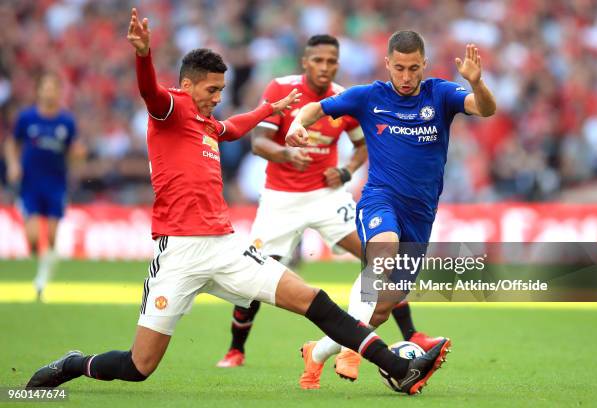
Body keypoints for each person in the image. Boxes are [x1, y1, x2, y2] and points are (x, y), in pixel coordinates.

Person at [25, 10, 449, 396]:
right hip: (179, 253)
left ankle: (397, 367)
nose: (216, 97)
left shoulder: (207, 122)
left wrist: (272, 107)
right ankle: (75, 364)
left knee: (313, 299)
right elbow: (149, 91)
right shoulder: (169, 109)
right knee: (140, 366)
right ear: (187, 85)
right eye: (211, 89)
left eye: (221, 90)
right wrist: (144, 55)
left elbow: (232, 128)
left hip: (225, 246)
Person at [216, 34, 447, 388]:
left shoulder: (344, 97)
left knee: (378, 257)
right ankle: (236, 349)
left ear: (337, 64)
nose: (325, 67)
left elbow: (360, 147)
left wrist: (346, 171)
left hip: (328, 196)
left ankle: (409, 333)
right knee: (253, 276)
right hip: (281, 198)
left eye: (331, 62)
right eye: (318, 61)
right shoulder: (281, 89)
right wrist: (285, 153)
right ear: (305, 62)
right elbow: (258, 142)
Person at [287, 30, 496, 387]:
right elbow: (317, 108)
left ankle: (317, 352)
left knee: (380, 310)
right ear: (387, 64)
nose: (406, 76)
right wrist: (296, 123)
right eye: (399, 68)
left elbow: (486, 109)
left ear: (424, 64)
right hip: (380, 199)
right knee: (383, 252)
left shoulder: (440, 94)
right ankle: (353, 352)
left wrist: (477, 84)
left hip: (421, 215)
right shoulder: (370, 97)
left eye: (413, 68)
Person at [4, 72, 85, 301]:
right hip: (30, 183)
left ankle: (42, 279)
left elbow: (74, 150)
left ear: (59, 92)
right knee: (31, 238)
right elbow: (12, 142)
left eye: (53, 88)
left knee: (50, 236)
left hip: (56, 184)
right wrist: (13, 164)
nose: (49, 92)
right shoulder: (26, 117)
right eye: (45, 87)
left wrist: (78, 157)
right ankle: (39, 265)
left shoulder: (66, 121)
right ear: (38, 91)